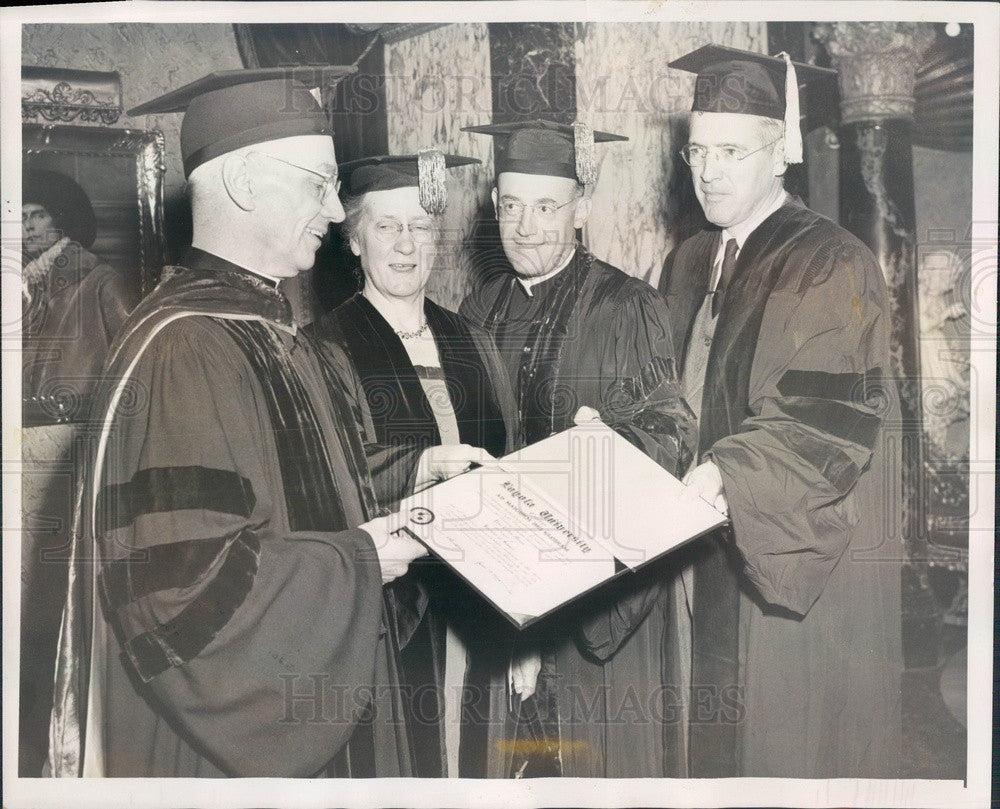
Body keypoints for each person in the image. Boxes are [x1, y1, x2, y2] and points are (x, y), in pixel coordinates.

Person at [47, 68, 437, 778]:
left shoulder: (265, 326)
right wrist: (360, 563)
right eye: (317, 182)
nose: (333, 208)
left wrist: (413, 487)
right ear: (247, 183)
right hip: (217, 757)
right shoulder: (185, 348)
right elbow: (183, 591)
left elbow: (305, 490)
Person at [660, 45, 903, 778]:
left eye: (731, 151)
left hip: (788, 548)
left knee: (783, 744)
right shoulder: (688, 261)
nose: (708, 171)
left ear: (780, 152)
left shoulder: (831, 260)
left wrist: (723, 475)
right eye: (697, 151)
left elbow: (820, 418)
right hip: (698, 545)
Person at [460, 119, 696, 778]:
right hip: (498, 586)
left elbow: (671, 435)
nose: (525, 225)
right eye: (510, 206)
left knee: (599, 767)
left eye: (546, 206)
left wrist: (605, 446)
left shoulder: (627, 307)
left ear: (581, 210)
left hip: (597, 600)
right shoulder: (476, 313)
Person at [309, 151, 521, 778]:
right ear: (353, 239)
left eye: (421, 228)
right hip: (393, 608)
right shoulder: (325, 347)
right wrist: (421, 461)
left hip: (481, 594)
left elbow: (508, 466)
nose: (406, 245)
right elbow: (333, 476)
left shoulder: (471, 340)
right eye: (386, 226)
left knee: (477, 760)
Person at [22, 168, 139, 425]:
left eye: (38, 215)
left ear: (60, 219)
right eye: (22, 217)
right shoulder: (26, 287)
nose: (28, 226)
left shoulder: (102, 281)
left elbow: (136, 367)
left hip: (84, 426)